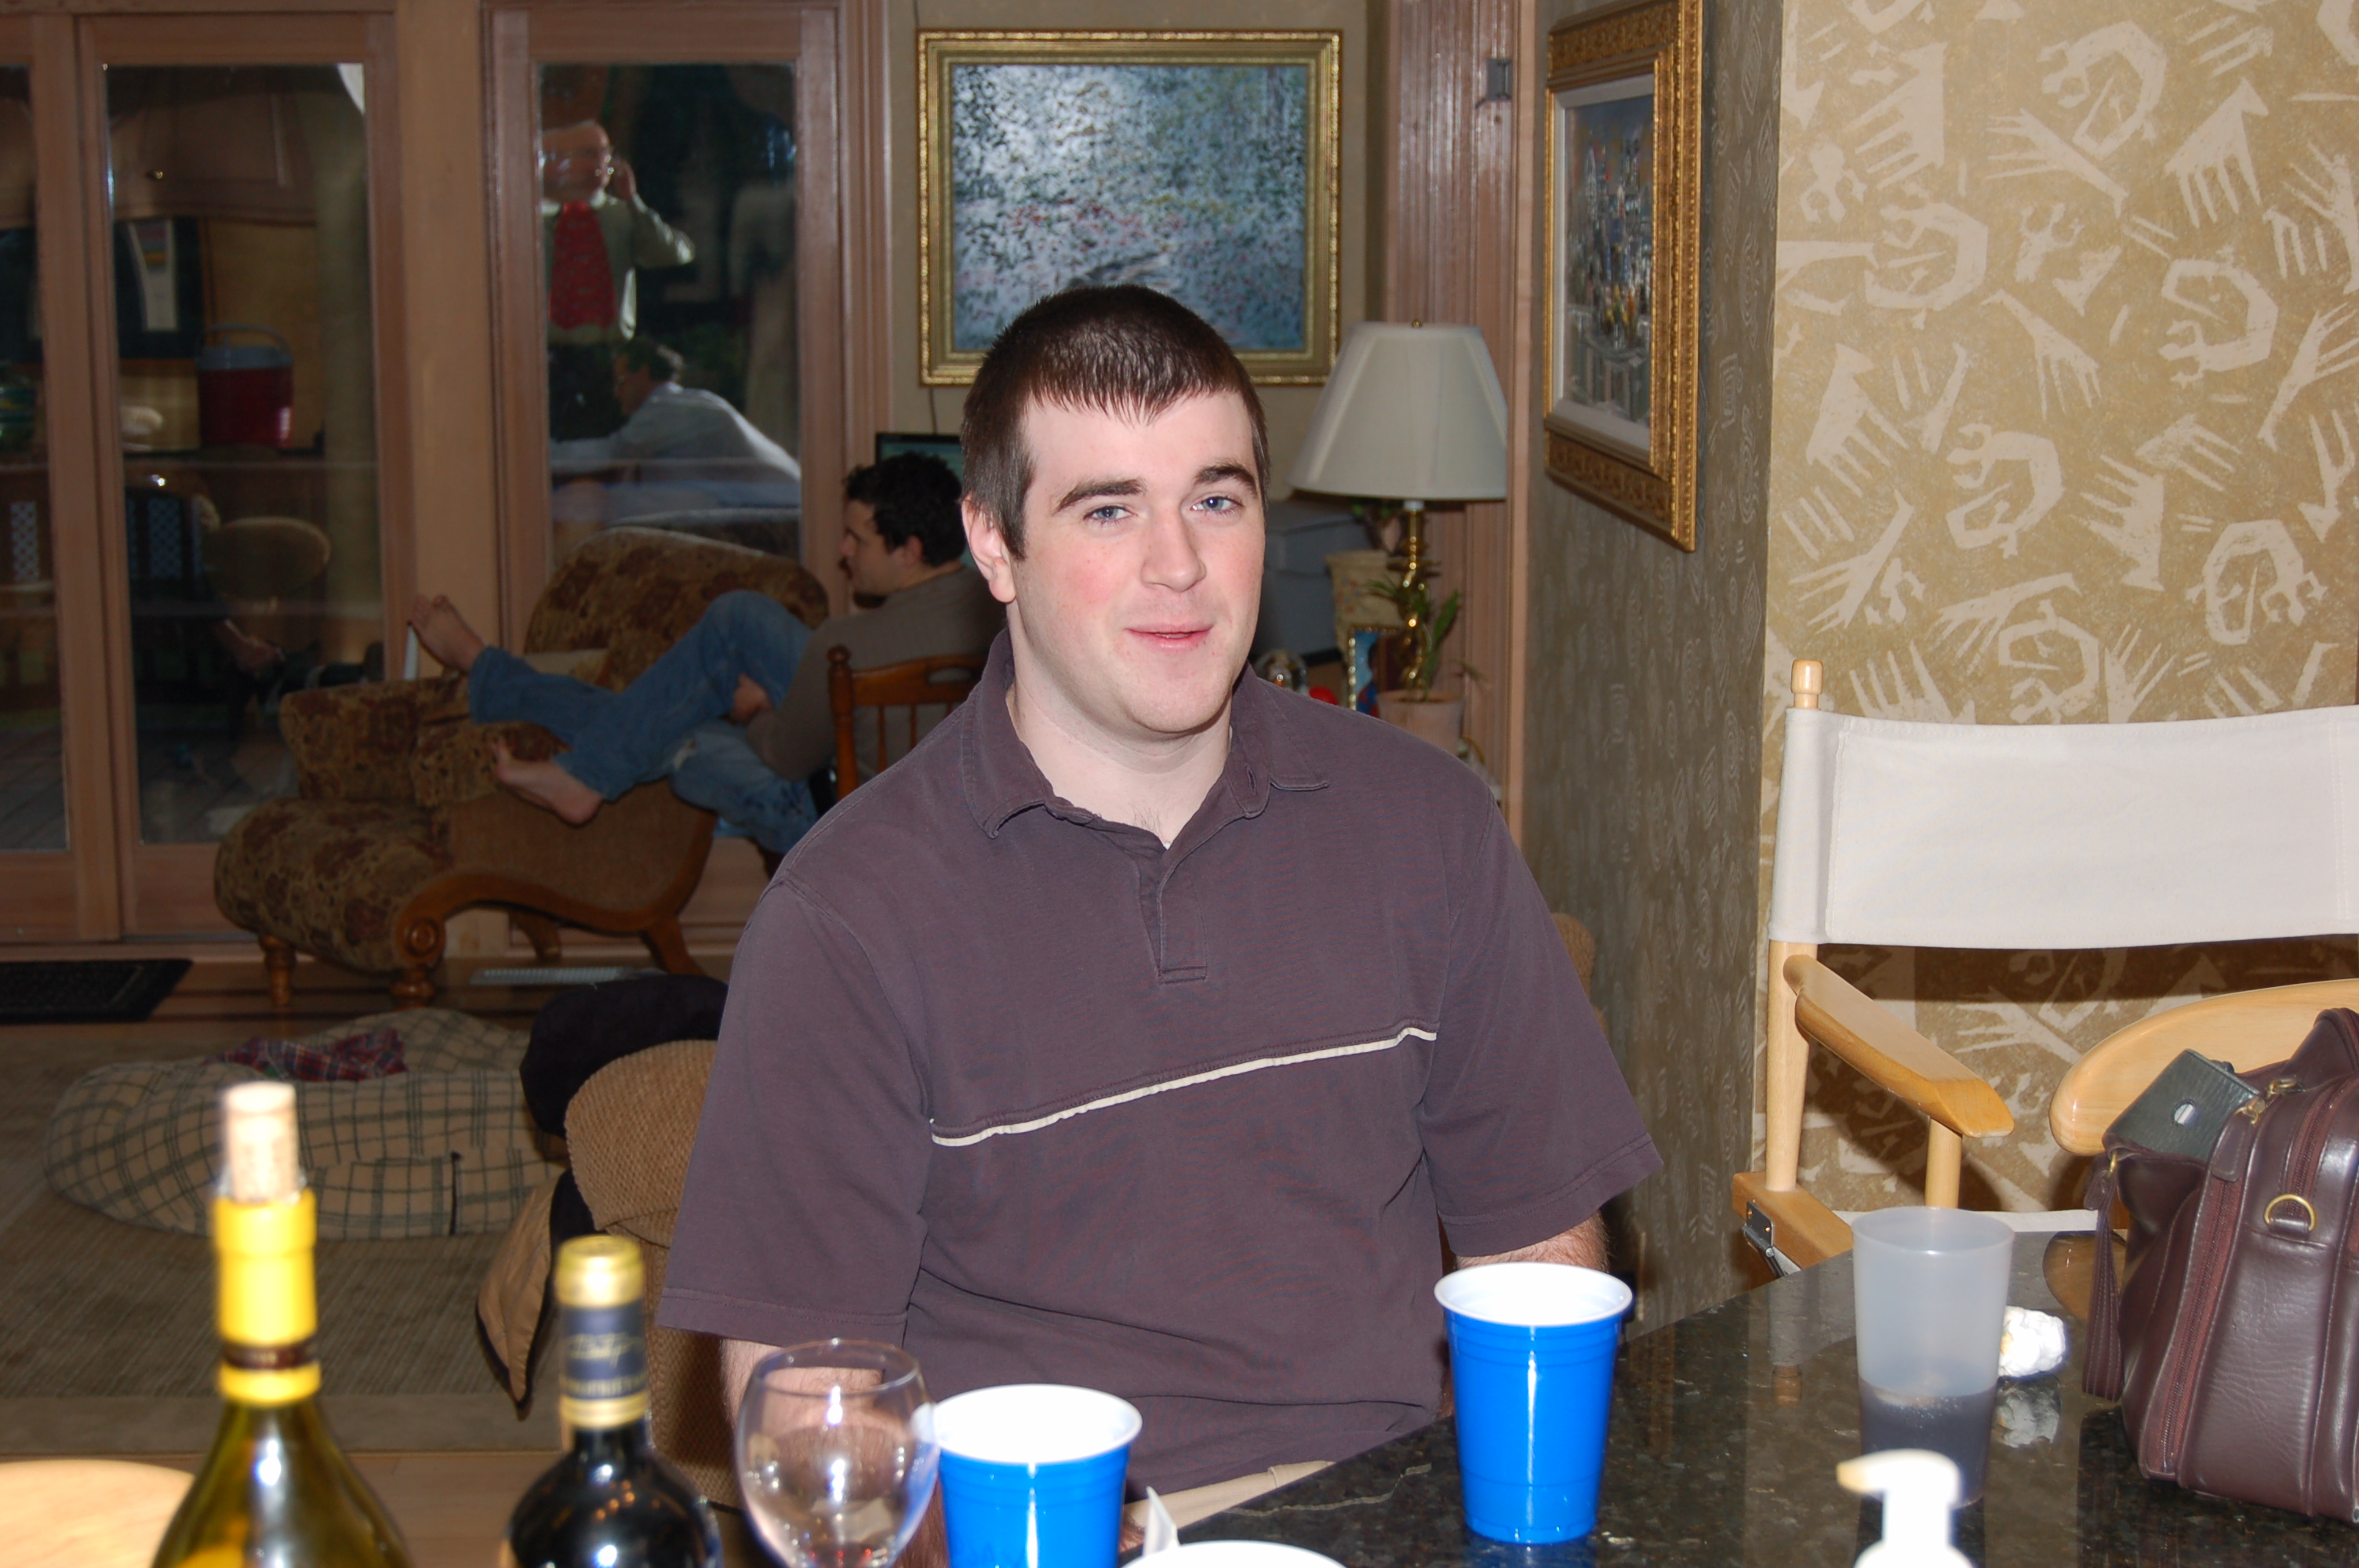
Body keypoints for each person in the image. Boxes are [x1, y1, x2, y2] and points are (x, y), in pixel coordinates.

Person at [659, 287, 1660, 1504]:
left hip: (1383, 1504)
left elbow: (1540, 1254)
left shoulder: (1428, 824)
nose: (1179, 565)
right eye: (1109, 509)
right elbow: (808, 1412)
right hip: (1039, 1522)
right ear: (993, 544)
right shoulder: (847, 916)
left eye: (1216, 500)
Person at [409, 453, 998, 855]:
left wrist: (756, 708)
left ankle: (542, 730)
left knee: (674, 728)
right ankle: (581, 764)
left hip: (838, 817)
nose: (844, 550)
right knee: (735, 623)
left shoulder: (848, 647)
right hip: (944, 818)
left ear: (908, 551)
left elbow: (786, 756)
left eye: (858, 540)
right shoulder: (998, 617)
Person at [540, 119, 696, 441]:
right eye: (587, 154)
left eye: (605, 153)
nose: (601, 164)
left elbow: (672, 254)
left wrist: (633, 203)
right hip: (545, 357)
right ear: (553, 162)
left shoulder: (621, 216)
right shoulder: (527, 219)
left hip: (607, 360)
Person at [549, 337, 802, 523]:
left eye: (621, 382)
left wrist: (544, 455)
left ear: (643, 374)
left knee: (594, 503)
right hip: (762, 502)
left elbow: (614, 451)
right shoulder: (689, 403)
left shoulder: (673, 408)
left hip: (773, 505)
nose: (617, 393)